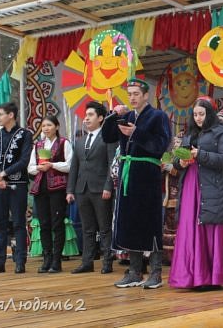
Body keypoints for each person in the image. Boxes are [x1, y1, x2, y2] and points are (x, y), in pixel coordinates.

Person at [102, 78, 171, 289]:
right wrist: (113, 115)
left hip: (147, 174)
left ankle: (156, 273)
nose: (132, 97)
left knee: (150, 221)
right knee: (129, 221)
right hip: (127, 174)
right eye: (129, 94)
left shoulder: (158, 116)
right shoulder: (127, 115)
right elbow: (107, 137)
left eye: (135, 94)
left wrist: (136, 133)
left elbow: (161, 144)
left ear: (145, 95)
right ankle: (134, 271)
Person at [169, 97, 223, 289]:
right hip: (190, 185)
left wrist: (200, 154)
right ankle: (190, 276)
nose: (198, 118)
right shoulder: (189, 134)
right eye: (195, 114)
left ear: (210, 114)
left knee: (209, 227)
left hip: (210, 187)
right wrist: (180, 162)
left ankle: (211, 277)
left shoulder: (220, 132)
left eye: (202, 114)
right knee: (190, 228)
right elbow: (177, 158)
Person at [66, 101, 118, 274]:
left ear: (101, 118)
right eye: (85, 115)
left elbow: (112, 163)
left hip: (100, 188)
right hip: (82, 189)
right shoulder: (80, 141)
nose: (86, 118)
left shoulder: (108, 138)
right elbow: (74, 166)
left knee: (104, 228)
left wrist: (108, 186)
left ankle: (107, 262)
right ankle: (87, 262)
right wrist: (70, 190)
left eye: (90, 115)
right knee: (87, 227)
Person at [0, 102, 33, 274]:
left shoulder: (25, 135)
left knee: (19, 223)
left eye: (0, 114)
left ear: (11, 115)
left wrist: (3, 174)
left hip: (17, 185)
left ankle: (20, 261)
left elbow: (24, 161)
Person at [28, 114, 73, 274]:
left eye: (49, 125)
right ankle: (47, 258)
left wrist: (52, 164)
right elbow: (30, 167)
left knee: (57, 223)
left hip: (58, 188)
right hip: (41, 188)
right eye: (44, 126)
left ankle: (56, 260)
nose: (46, 128)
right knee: (44, 224)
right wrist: (40, 168)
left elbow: (69, 165)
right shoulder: (38, 145)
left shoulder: (63, 143)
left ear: (57, 126)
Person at [162, 131, 184, 264]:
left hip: (179, 194)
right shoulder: (170, 155)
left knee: (177, 225)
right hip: (168, 194)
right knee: (168, 225)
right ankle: (168, 256)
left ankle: (178, 254)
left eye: (178, 142)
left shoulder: (184, 157)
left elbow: (183, 172)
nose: (175, 144)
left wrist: (172, 169)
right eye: (174, 142)